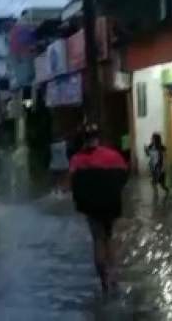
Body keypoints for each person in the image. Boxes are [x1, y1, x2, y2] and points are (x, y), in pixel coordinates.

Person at [69, 124, 129, 293]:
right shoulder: (114, 156)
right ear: (98, 138)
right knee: (109, 238)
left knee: (97, 240)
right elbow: (124, 177)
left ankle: (104, 283)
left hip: (91, 207)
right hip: (111, 205)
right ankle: (114, 278)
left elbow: (74, 185)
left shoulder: (77, 160)